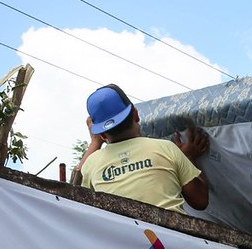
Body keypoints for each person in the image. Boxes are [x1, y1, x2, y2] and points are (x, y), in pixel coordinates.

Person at [73, 84, 210, 212]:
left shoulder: (91, 164)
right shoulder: (167, 148)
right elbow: (200, 201)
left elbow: (72, 198)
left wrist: (95, 143)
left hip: (121, 237)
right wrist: (188, 157)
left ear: (102, 134)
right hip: (168, 237)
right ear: (136, 115)